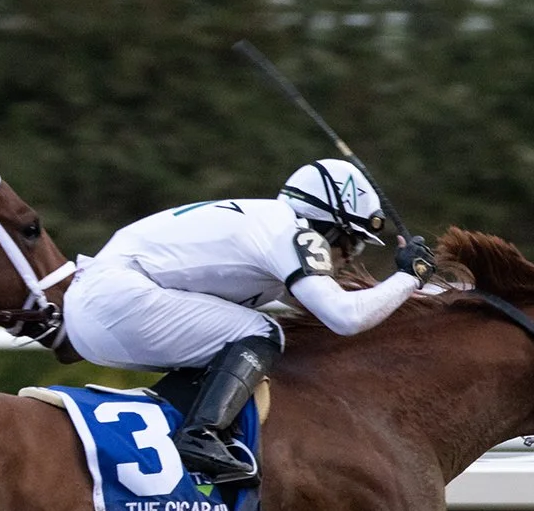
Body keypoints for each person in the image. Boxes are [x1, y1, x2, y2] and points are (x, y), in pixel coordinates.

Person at [62, 159, 436, 485]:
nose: (351, 256)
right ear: (328, 227)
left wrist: (404, 294)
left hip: (95, 307)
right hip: (116, 300)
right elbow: (345, 318)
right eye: (352, 242)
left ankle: (180, 429)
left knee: (234, 339)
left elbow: (328, 304)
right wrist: (409, 276)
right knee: (262, 331)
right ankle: (200, 435)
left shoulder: (269, 225)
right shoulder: (292, 233)